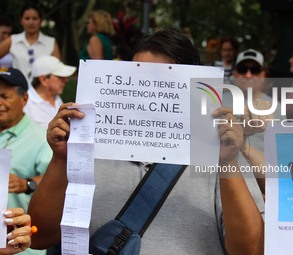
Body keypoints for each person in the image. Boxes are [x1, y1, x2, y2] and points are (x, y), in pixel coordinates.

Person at [28, 28, 264, 255]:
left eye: (164, 82)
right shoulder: (91, 148)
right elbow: (39, 236)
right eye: (136, 78)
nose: (147, 91)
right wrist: (61, 159)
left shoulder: (221, 153)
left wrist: (228, 163)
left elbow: (251, 250)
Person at [0, 67, 52, 254]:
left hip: (21, 246)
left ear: (24, 100)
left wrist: (26, 183)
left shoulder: (40, 138)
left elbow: (54, 182)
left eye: (5, 97)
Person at [0, 3, 61, 83]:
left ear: (41, 20)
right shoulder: (13, 40)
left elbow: (58, 70)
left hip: (42, 91)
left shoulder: (51, 42)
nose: (31, 22)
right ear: (21, 20)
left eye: (35, 18)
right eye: (27, 18)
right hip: (18, 90)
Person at [23, 55, 77, 128]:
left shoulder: (56, 98)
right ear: (43, 80)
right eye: (60, 77)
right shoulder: (25, 104)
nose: (66, 80)